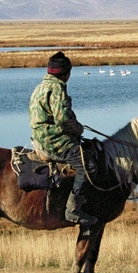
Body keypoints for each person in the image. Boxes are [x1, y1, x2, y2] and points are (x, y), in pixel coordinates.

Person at [29, 52, 97, 225]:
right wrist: (79, 129)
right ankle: (73, 211)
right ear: (66, 73)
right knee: (87, 166)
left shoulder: (40, 86)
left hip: (39, 136)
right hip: (53, 141)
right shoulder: (57, 89)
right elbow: (63, 119)